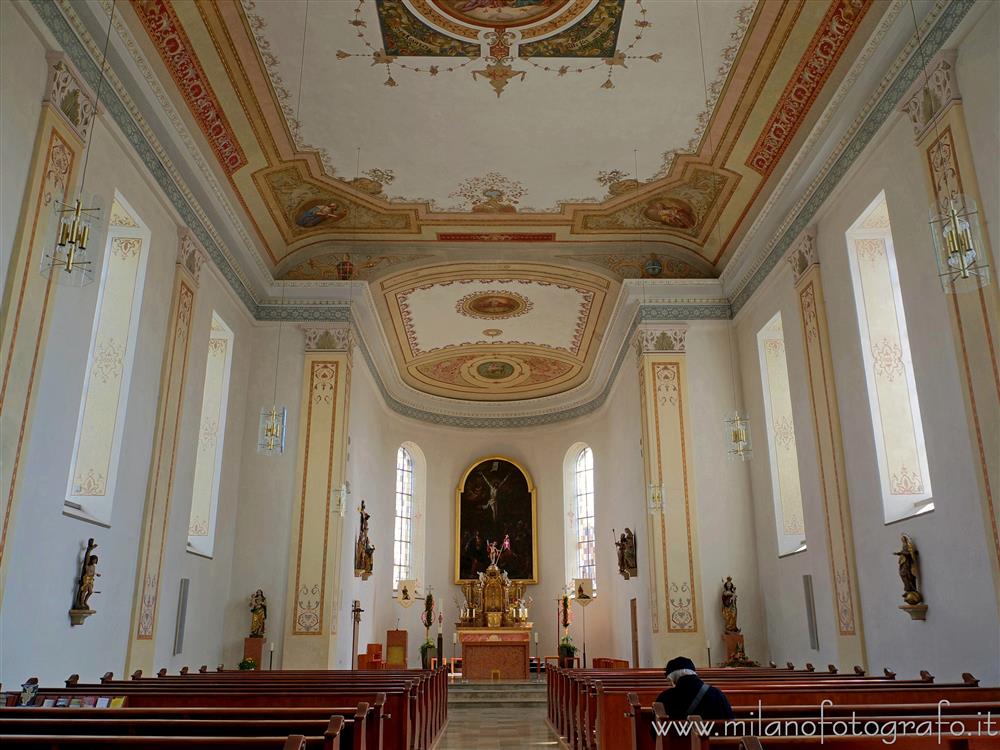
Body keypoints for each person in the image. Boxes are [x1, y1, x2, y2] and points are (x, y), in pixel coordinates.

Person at [654, 656, 734, 721]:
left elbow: (655, 731)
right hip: (713, 740)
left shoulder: (665, 697)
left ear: (672, 678)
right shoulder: (716, 693)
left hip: (678, 740)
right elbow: (730, 724)